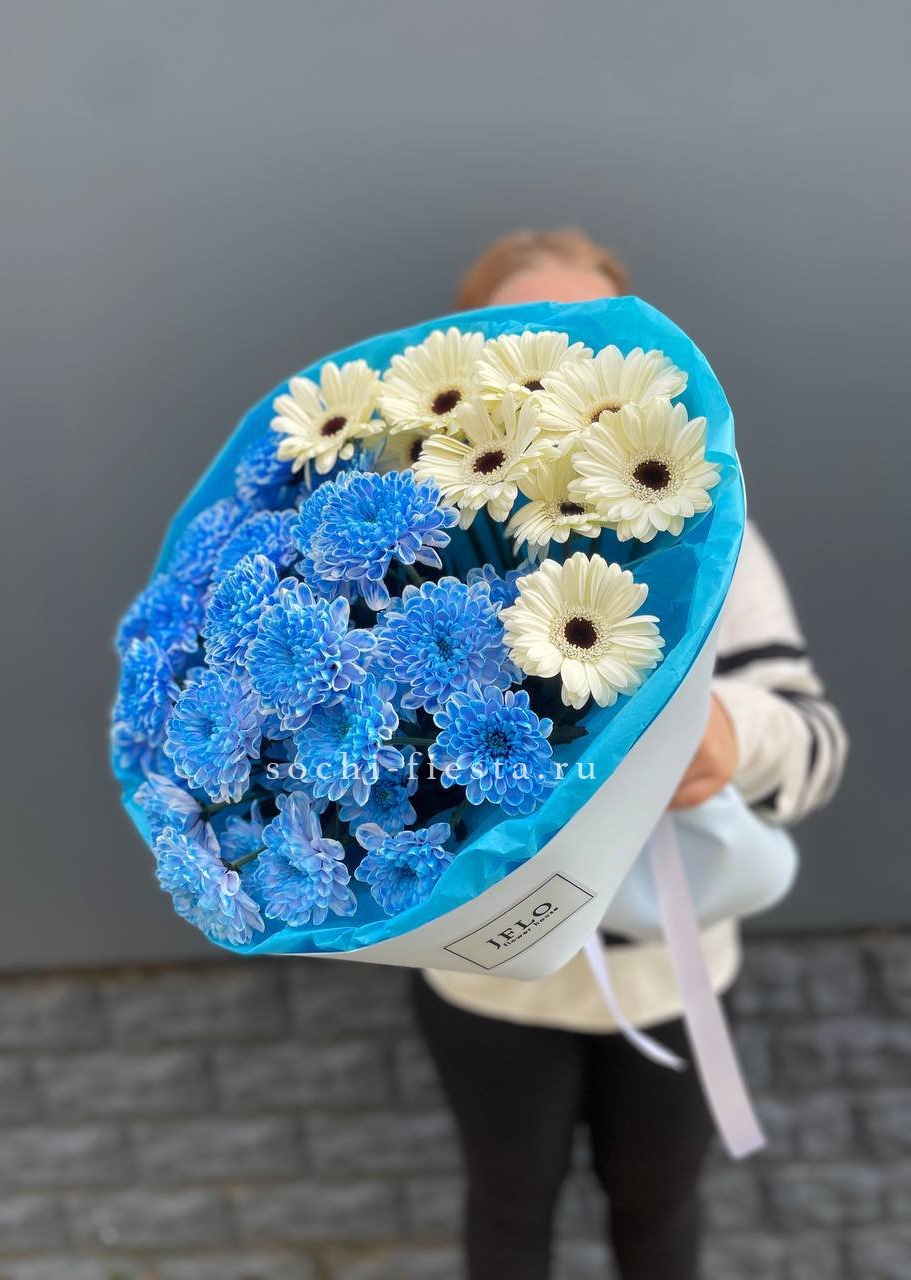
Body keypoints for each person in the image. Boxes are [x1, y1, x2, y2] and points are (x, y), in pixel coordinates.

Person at [411, 228, 848, 1280]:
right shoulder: (416, 539)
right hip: (489, 974)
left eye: (591, 335)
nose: (558, 365)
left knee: (660, 1213)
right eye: (527, 337)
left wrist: (728, 733)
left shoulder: (707, 525)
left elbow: (815, 742)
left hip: (671, 964)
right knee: (507, 1208)